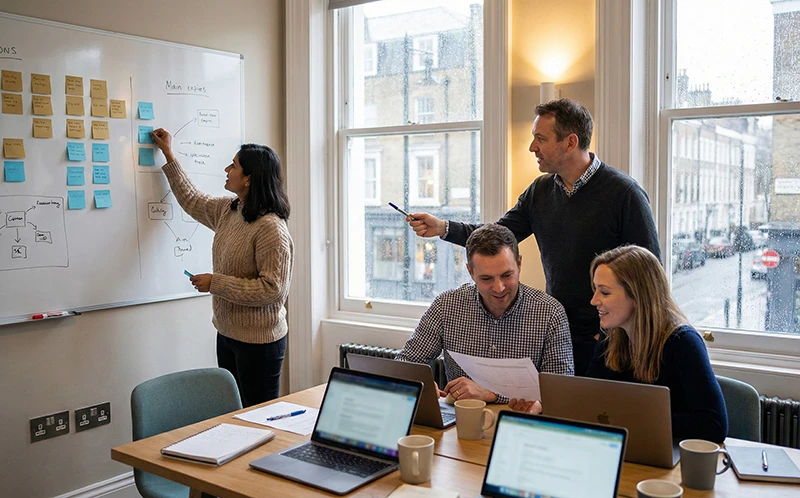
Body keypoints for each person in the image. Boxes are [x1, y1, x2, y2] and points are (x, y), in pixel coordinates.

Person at [407, 99, 660, 376]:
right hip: (559, 335)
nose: (532, 147)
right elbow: (498, 236)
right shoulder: (539, 191)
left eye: (541, 138)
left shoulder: (624, 194)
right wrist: (444, 228)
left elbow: (649, 276)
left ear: (570, 142)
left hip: (611, 342)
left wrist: (611, 335)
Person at [510, 245, 728, 443]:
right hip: (625, 448)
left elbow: (714, 425)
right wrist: (544, 406)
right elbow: (589, 398)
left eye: (604, 292)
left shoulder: (683, 343)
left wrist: (628, 417)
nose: (594, 300)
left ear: (638, 296)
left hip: (670, 459)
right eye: (595, 289)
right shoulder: (612, 335)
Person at [151, 128, 294, 407]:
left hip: (259, 344)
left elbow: (273, 290)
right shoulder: (230, 210)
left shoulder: (271, 228)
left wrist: (215, 283)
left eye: (234, 165)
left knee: (256, 420)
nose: (227, 169)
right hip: (228, 335)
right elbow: (192, 200)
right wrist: (168, 153)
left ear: (249, 178)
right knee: (232, 417)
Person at [396, 224, 574, 404]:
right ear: (471, 272)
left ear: (519, 264)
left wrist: (492, 396)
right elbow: (405, 363)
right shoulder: (446, 306)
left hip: (521, 425)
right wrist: (420, 384)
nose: (499, 288)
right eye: (487, 279)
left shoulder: (550, 312)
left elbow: (561, 393)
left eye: (507, 275)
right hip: (459, 424)